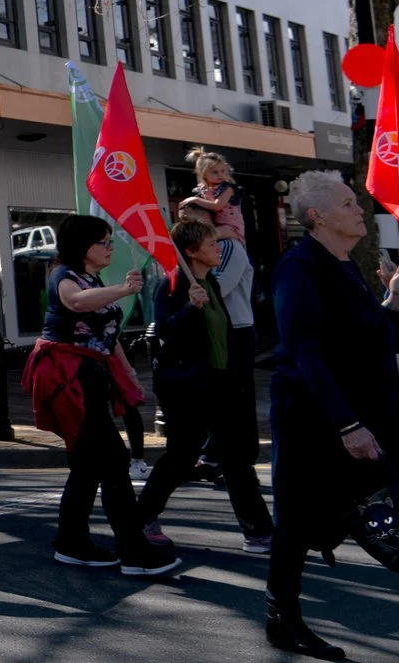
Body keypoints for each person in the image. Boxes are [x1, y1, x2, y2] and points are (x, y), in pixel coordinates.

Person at [260, 171, 399, 657]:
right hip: (319, 425)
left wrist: (392, 305)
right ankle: (282, 619)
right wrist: (347, 426)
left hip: (373, 419)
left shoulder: (345, 263)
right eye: (347, 203)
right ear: (318, 216)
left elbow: (354, 337)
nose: (359, 209)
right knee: (296, 527)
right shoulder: (299, 268)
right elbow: (307, 352)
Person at [24, 214, 178, 577]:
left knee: (88, 465)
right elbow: (77, 303)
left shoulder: (92, 277)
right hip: (69, 380)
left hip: (89, 377)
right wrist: (124, 290)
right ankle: (132, 550)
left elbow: (107, 335)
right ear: (83, 247)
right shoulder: (63, 276)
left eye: (110, 241)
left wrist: (126, 375)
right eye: (104, 242)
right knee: (111, 461)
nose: (110, 248)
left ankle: (71, 543)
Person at [141, 218, 274, 552]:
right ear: (191, 251)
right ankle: (141, 517)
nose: (218, 249)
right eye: (212, 244)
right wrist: (190, 307)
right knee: (181, 456)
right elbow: (166, 333)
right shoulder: (171, 286)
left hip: (218, 385)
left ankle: (259, 532)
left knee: (236, 458)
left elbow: (222, 336)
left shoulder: (212, 281)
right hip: (186, 388)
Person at [181, 147, 246, 242]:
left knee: (208, 235)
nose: (220, 175)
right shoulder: (204, 189)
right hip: (218, 224)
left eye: (223, 171)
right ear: (204, 174)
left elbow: (217, 205)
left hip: (232, 227)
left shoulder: (228, 188)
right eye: (215, 172)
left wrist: (195, 200)